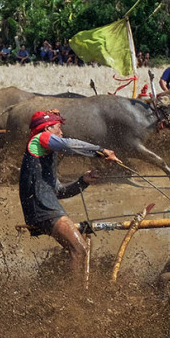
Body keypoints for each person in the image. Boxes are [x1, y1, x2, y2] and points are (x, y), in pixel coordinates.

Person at [19, 109, 118, 280]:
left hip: (45, 207)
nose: (62, 132)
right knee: (79, 250)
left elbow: (58, 191)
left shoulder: (45, 156)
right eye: (58, 127)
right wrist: (101, 151)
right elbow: (68, 145)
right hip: (42, 208)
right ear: (47, 128)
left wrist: (83, 181)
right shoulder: (39, 139)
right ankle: (70, 292)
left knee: (82, 247)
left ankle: (60, 282)